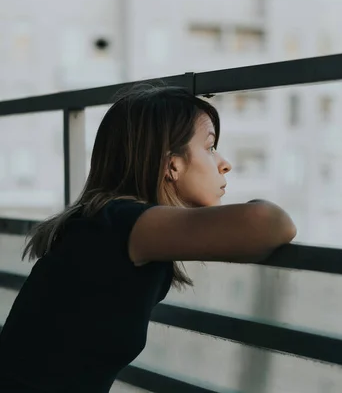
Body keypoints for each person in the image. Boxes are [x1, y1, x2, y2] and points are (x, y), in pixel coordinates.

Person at [0, 83, 297, 392]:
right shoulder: (124, 223)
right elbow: (270, 224)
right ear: (172, 165)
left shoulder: (103, 220)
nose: (224, 163)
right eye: (209, 147)